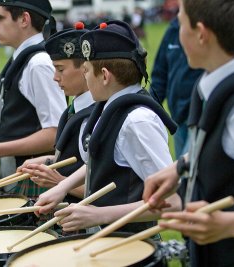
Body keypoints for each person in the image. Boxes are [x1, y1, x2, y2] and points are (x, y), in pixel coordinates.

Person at [33, 20, 181, 233]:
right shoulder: (110, 107)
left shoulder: (137, 122)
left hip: (130, 247)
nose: (84, 77)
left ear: (104, 75)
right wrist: (62, 187)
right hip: (106, 240)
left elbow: (172, 202)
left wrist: (98, 214)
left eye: (86, 70)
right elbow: (99, 159)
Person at [143, 0, 234, 266]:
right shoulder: (213, 86)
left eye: (181, 22)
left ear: (201, 33)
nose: (176, 30)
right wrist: (180, 167)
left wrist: (231, 224)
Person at [0, 0, 67, 198]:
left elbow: (54, 134)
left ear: (24, 19)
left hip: (36, 189)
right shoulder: (22, 60)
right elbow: (28, 122)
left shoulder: (38, 64)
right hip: (20, 183)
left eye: (0, 17)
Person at [17, 22, 95, 202]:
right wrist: (49, 161)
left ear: (85, 70)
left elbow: (110, 187)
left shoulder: (97, 116)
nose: (55, 77)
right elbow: (75, 160)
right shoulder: (74, 109)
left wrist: (59, 181)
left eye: (60, 69)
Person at [150, 17, 203, 158]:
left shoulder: (206, 28)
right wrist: (151, 107)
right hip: (177, 118)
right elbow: (160, 73)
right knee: (184, 170)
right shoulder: (173, 29)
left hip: (201, 116)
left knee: (188, 169)